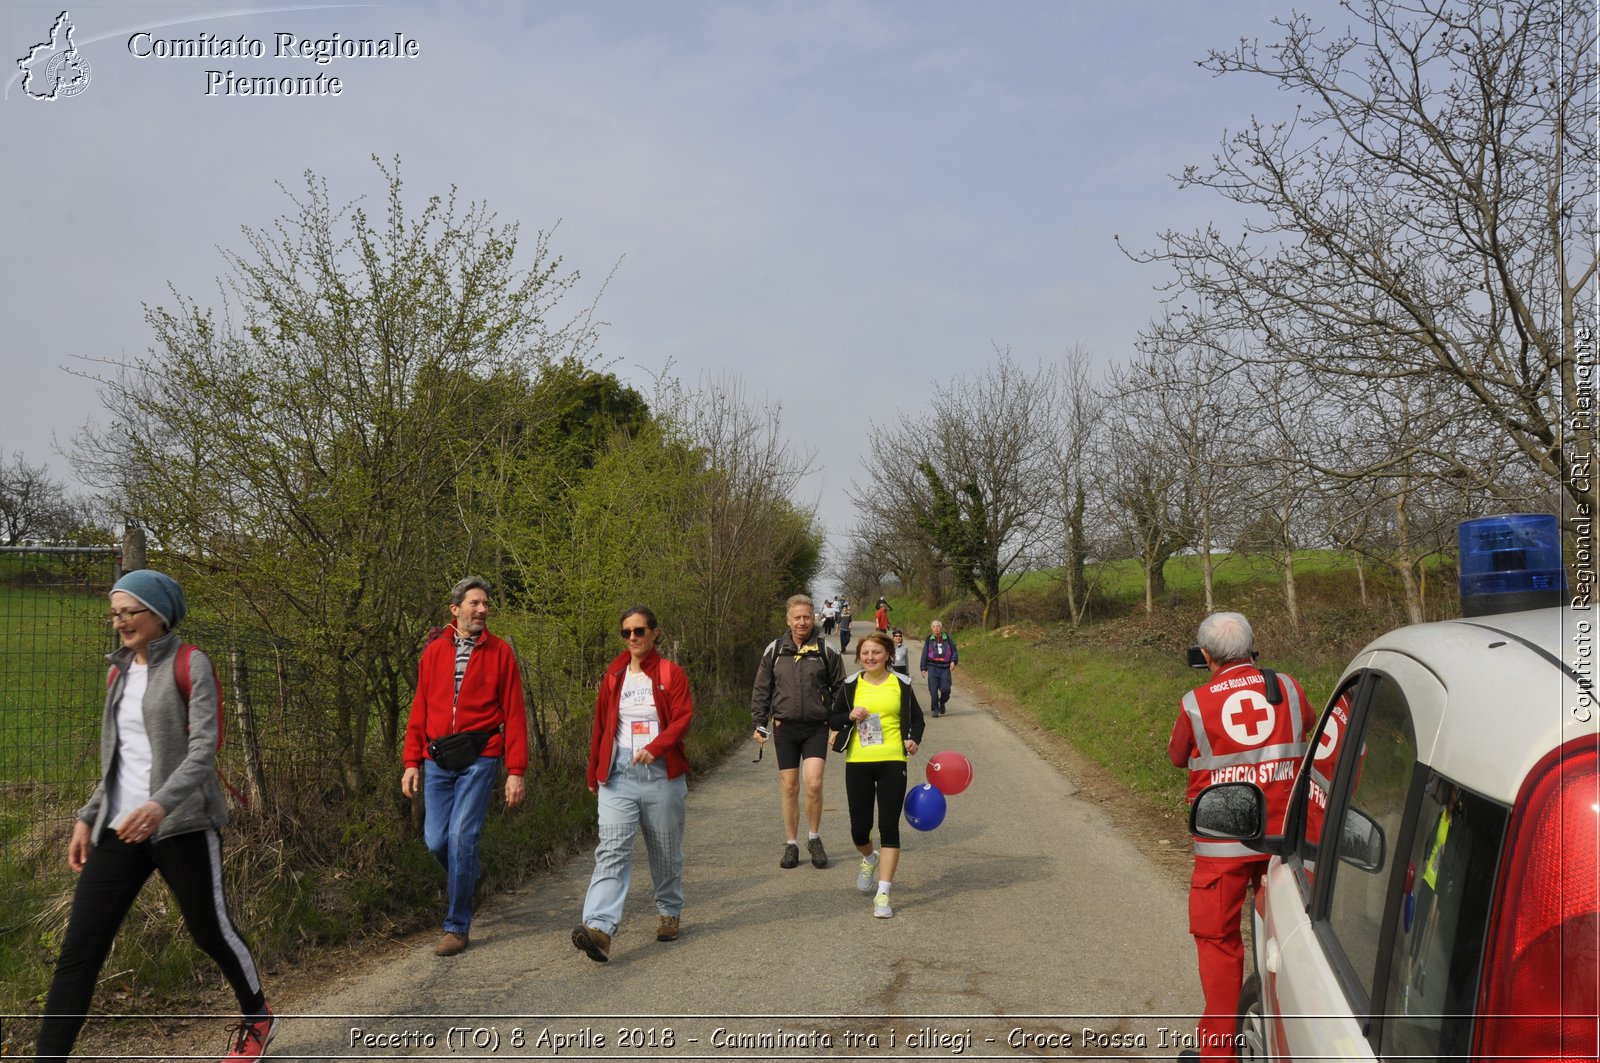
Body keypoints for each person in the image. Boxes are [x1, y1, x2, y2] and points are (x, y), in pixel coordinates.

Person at [36, 569, 277, 1062]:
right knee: (78, 955)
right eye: (115, 613)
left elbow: (203, 750)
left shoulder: (192, 664)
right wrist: (87, 816)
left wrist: (159, 804)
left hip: (182, 824)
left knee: (211, 932)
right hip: (119, 828)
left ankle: (257, 1014)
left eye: (130, 611)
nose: (120, 622)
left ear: (159, 615)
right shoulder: (117, 672)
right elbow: (117, 758)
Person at [1166, 612, 1313, 1062]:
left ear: (1205, 656)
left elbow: (1177, 757)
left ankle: (1219, 1053)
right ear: (1252, 649)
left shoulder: (1195, 703)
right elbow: (1305, 725)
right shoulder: (1286, 686)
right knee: (1293, 940)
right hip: (1282, 838)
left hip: (1222, 846)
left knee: (1218, 943)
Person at [401, 576, 528, 958]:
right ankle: (471, 873)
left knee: (461, 838)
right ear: (455, 610)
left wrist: (516, 770)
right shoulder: (433, 653)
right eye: (475, 603)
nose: (483, 610)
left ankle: (457, 926)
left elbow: (516, 714)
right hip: (437, 759)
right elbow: (420, 708)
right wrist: (411, 762)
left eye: (486, 603)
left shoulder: (501, 652)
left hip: (481, 756)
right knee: (436, 840)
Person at [572, 606, 694, 963]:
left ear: (655, 633)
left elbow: (683, 719)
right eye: (626, 632)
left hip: (661, 773)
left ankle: (670, 911)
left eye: (639, 631)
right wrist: (595, 770)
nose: (633, 638)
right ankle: (599, 929)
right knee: (612, 849)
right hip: (619, 773)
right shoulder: (614, 675)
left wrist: (655, 748)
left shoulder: (671, 674)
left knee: (665, 849)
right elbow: (601, 725)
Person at [827, 632, 925, 919]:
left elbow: (916, 719)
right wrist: (849, 716)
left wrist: (912, 738)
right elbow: (832, 718)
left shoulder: (901, 684)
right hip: (858, 761)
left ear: (887, 656)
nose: (870, 658)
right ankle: (869, 858)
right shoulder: (850, 685)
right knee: (859, 830)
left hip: (893, 761)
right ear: (860, 656)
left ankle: (883, 894)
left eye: (876, 653)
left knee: (888, 827)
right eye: (866, 653)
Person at [749, 595, 844, 869]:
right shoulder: (775, 649)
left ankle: (814, 838)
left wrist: (837, 723)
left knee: (813, 783)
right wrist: (759, 722)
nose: (802, 622)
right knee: (790, 787)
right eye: (797, 617)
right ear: (788, 620)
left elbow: (841, 688)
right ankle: (791, 844)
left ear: (813, 616)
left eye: (806, 616)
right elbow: (762, 689)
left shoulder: (826, 649)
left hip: (816, 727)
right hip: (785, 729)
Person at [919, 619, 958, 717]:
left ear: (941, 628)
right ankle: (935, 709)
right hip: (932, 666)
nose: (936, 628)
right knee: (933, 690)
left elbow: (954, 650)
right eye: (934, 627)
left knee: (946, 689)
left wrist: (953, 661)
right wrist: (923, 668)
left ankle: (942, 702)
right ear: (931, 628)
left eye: (938, 626)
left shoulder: (947, 638)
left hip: (945, 667)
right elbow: (924, 654)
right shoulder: (929, 639)